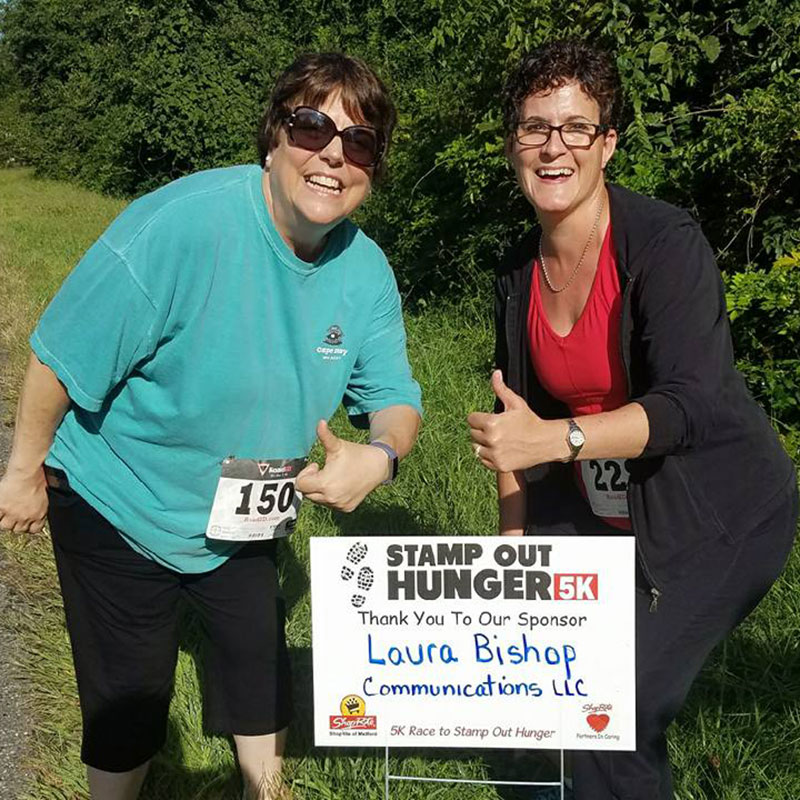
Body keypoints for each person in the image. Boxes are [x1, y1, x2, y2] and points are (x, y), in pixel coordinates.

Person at [0, 52, 421, 800]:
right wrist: (24, 472)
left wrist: (381, 455)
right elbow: (59, 357)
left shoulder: (367, 273)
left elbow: (394, 399)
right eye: (312, 125)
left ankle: (269, 791)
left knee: (257, 661)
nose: (332, 153)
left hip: (248, 510)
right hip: (119, 496)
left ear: (372, 170)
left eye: (358, 143)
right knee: (129, 692)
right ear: (274, 136)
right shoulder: (183, 225)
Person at [467, 38, 797, 800]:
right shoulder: (517, 271)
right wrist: (515, 550)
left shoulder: (663, 244)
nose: (554, 147)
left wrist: (559, 439)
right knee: (554, 680)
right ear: (513, 142)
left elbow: (690, 406)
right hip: (594, 500)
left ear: (608, 143)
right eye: (534, 127)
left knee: (608, 710)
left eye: (576, 127)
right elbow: (514, 420)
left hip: (716, 511)